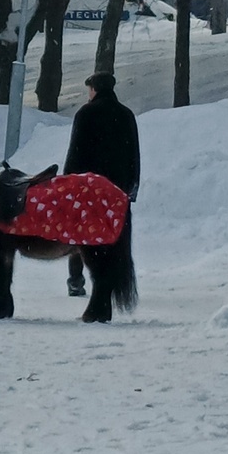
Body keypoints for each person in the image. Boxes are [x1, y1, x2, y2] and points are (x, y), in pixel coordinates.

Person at [63, 72, 140, 298]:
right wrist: (130, 188)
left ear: (94, 89)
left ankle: (76, 279)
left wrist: (69, 181)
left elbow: (75, 151)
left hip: (89, 187)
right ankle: (116, 279)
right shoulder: (126, 115)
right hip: (117, 188)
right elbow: (133, 155)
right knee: (114, 234)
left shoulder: (85, 114)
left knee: (81, 233)